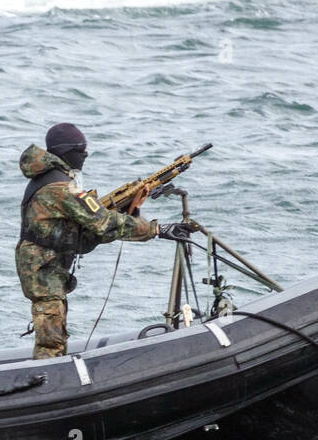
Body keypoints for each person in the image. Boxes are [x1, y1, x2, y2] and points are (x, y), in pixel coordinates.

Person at [16, 122, 196, 359]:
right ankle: (46, 379)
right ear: (67, 152)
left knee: (54, 326)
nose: (85, 154)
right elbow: (103, 222)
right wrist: (157, 229)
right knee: (51, 336)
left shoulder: (50, 179)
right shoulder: (61, 188)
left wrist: (130, 210)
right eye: (81, 150)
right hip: (42, 266)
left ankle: (52, 370)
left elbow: (89, 224)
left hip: (43, 261)